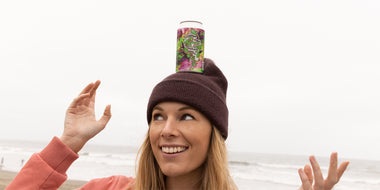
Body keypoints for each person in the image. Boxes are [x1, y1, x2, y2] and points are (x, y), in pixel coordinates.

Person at [6, 58, 349, 190]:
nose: (166, 129)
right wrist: (68, 142)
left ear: (214, 133)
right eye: (158, 116)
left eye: (186, 115)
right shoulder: (110, 189)